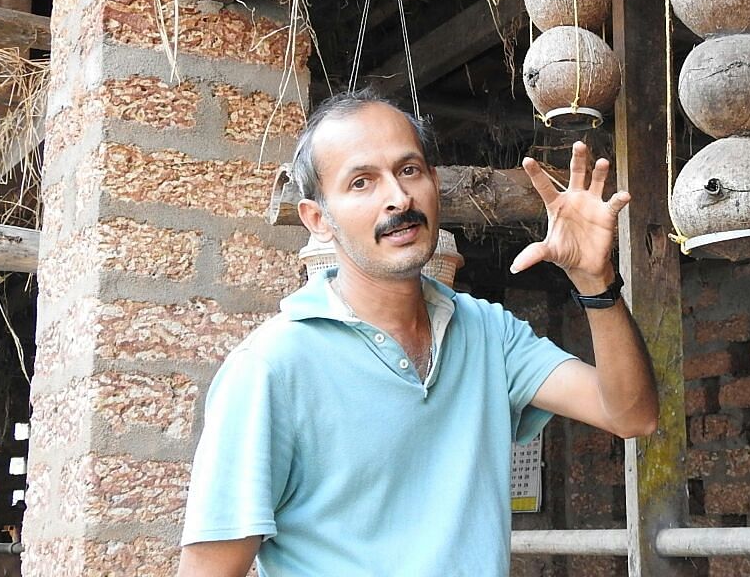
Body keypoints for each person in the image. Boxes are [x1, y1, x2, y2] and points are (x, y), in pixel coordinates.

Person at [176, 89, 658, 577]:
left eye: (409, 170)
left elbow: (632, 415)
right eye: (362, 182)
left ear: (432, 181)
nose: (398, 198)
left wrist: (595, 282)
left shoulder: (489, 333)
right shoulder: (269, 369)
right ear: (318, 220)